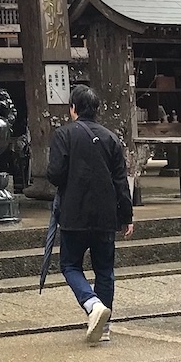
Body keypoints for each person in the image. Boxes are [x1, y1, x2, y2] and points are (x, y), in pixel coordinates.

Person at [47, 84, 133, 343]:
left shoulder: (63, 135)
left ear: (73, 108)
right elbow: (121, 180)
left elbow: (55, 174)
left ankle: (92, 304)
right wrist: (127, 216)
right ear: (96, 110)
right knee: (105, 269)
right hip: (106, 216)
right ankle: (104, 326)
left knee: (70, 264)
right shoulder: (110, 138)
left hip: (74, 214)